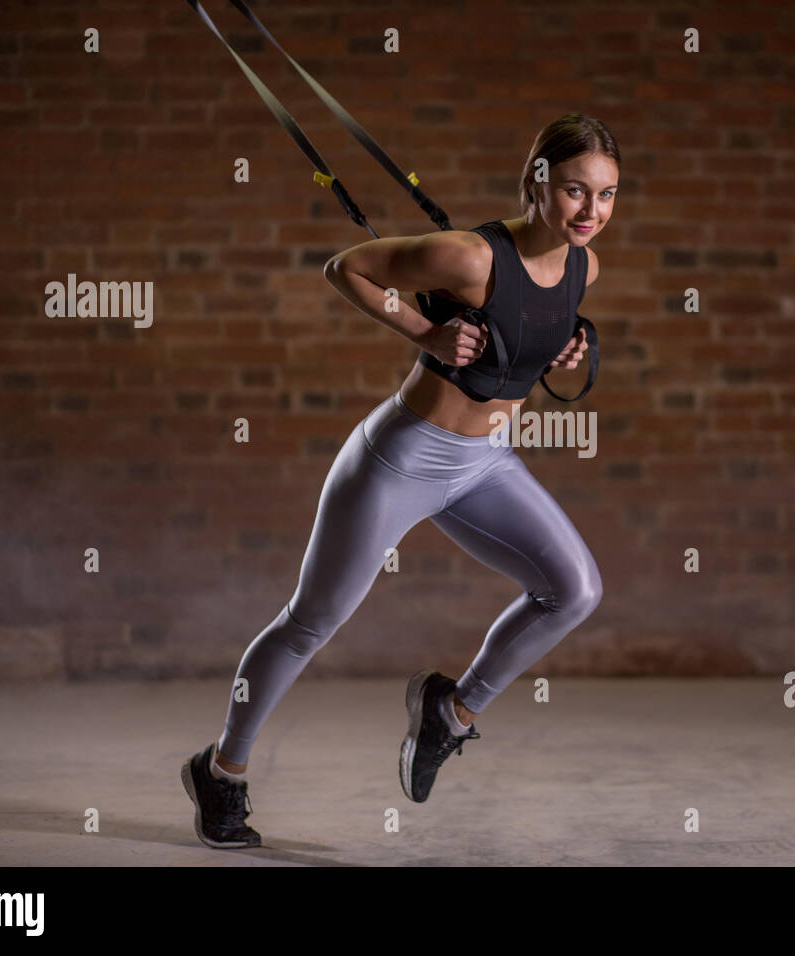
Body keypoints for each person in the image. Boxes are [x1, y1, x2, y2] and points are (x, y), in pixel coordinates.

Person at [181, 112, 620, 848]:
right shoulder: (470, 257)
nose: (591, 212)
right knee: (310, 622)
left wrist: (566, 346)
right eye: (576, 191)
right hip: (403, 459)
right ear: (537, 182)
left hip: (488, 465)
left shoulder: (585, 267)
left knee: (575, 590)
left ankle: (449, 713)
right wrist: (426, 333)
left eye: (607, 196)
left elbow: (524, 335)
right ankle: (221, 770)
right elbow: (345, 267)